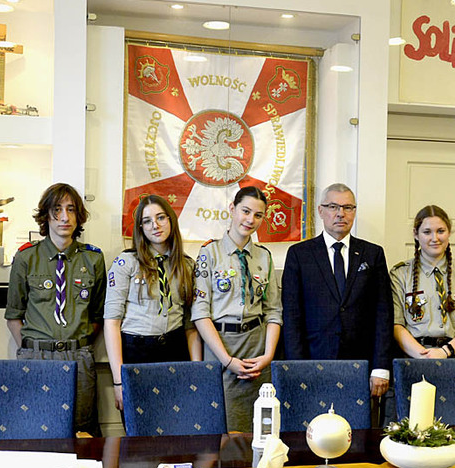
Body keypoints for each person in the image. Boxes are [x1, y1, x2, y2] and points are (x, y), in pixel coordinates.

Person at [5, 183, 107, 437]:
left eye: (71, 210)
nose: (64, 217)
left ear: (79, 216)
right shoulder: (26, 257)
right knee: (35, 429)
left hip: (78, 357)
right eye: (57, 209)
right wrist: (30, 348)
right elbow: (14, 315)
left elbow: (98, 316)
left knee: (82, 432)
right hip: (36, 357)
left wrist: (78, 344)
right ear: (46, 215)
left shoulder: (93, 259)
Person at [281, 183, 394, 400]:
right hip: (313, 361)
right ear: (321, 211)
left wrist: (381, 367)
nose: (340, 213)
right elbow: (292, 316)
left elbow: (383, 313)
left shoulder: (373, 254)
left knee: (357, 421)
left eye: (348, 207)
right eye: (333, 207)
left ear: (354, 211)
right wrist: (296, 367)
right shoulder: (299, 254)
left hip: (361, 365)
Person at [191, 186, 282, 432]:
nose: (250, 220)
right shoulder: (209, 253)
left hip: (257, 350)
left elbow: (273, 311)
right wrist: (227, 360)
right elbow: (200, 313)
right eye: (245, 211)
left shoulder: (264, 256)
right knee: (222, 428)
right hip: (221, 347)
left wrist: (268, 355)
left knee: (260, 426)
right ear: (232, 209)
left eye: (258, 215)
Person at [104, 195, 201, 413]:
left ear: (171, 220)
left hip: (175, 350)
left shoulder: (186, 265)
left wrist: (197, 371)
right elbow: (111, 323)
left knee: (177, 422)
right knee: (139, 424)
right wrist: (118, 381)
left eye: (160, 218)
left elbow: (190, 326)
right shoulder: (126, 263)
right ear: (140, 228)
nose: (155, 225)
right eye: (147, 221)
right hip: (136, 352)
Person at [391, 205, 455, 360]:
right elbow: (396, 325)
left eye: (440, 231)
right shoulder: (400, 274)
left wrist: (445, 351)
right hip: (414, 357)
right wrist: (424, 357)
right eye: (427, 232)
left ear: (449, 232)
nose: (435, 238)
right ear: (416, 234)